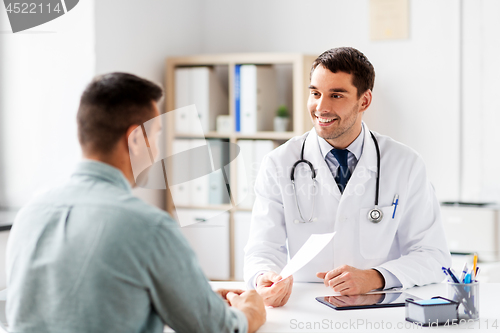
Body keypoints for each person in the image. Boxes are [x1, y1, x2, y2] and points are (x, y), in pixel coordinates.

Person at [6, 73, 266, 333]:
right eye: (155, 137)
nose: (156, 151)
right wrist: (250, 310)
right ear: (136, 140)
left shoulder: (31, 214)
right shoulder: (148, 227)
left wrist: (193, 297)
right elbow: (218, 329)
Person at [244, 47, 451, 307]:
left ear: (364, 101)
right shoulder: (278, 163)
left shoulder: (405, 164)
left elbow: (433, 255)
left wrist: (376, 277)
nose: (321, 107)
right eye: (315, 93)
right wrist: (264, 277)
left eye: (336, 95)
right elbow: (262, 249)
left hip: (379, 307)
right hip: (305, 307)